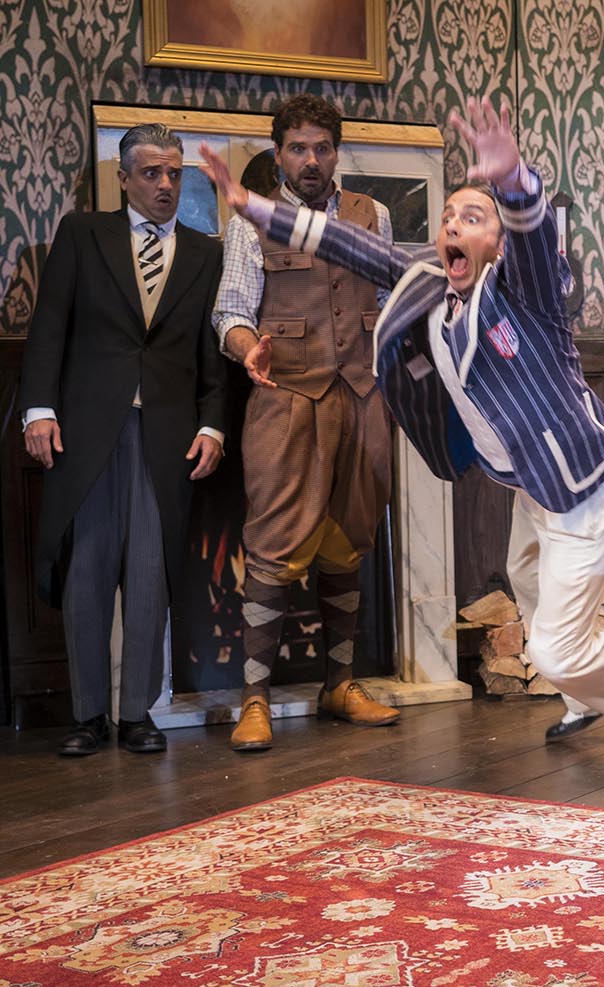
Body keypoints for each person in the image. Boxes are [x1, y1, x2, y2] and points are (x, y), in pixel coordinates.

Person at [200, 95, 604, 771]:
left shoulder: (527, 291)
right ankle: (585, 691)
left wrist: (514, 179)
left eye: (473, 217)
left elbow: (532, 236)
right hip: (532, 484)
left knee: (553, 649)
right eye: (446, 219)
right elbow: (349, 243)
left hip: (584, 483)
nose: (452, 227)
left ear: (498, 241)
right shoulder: (431, 285)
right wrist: (256, 208)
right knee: (528, 581)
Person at [20, 122, 228, 755]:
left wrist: (213, 423)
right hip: (85, 431)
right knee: (85, 571)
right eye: (151, 173)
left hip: (167, 435)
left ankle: (137, 713)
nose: (166, 184)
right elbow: (49, 326)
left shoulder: (205, 253)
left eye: (175, 174)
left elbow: (211, 354)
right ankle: (88, 716)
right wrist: (37, 410)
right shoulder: (82, 235)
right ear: (124, 178)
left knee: (149, 574)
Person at [212, 94, 399, 751]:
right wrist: (247, 348)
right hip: (286, 400)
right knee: (272, 545)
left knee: (349, 540)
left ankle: (339, 685)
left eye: (322, 147)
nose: (311, 160)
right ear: (279, 153)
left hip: (363, 399)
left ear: (337, 152)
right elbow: (230, 310)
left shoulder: (372, 215)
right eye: (298, 148)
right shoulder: (252, 220)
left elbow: (395, 297)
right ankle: (255, 698)